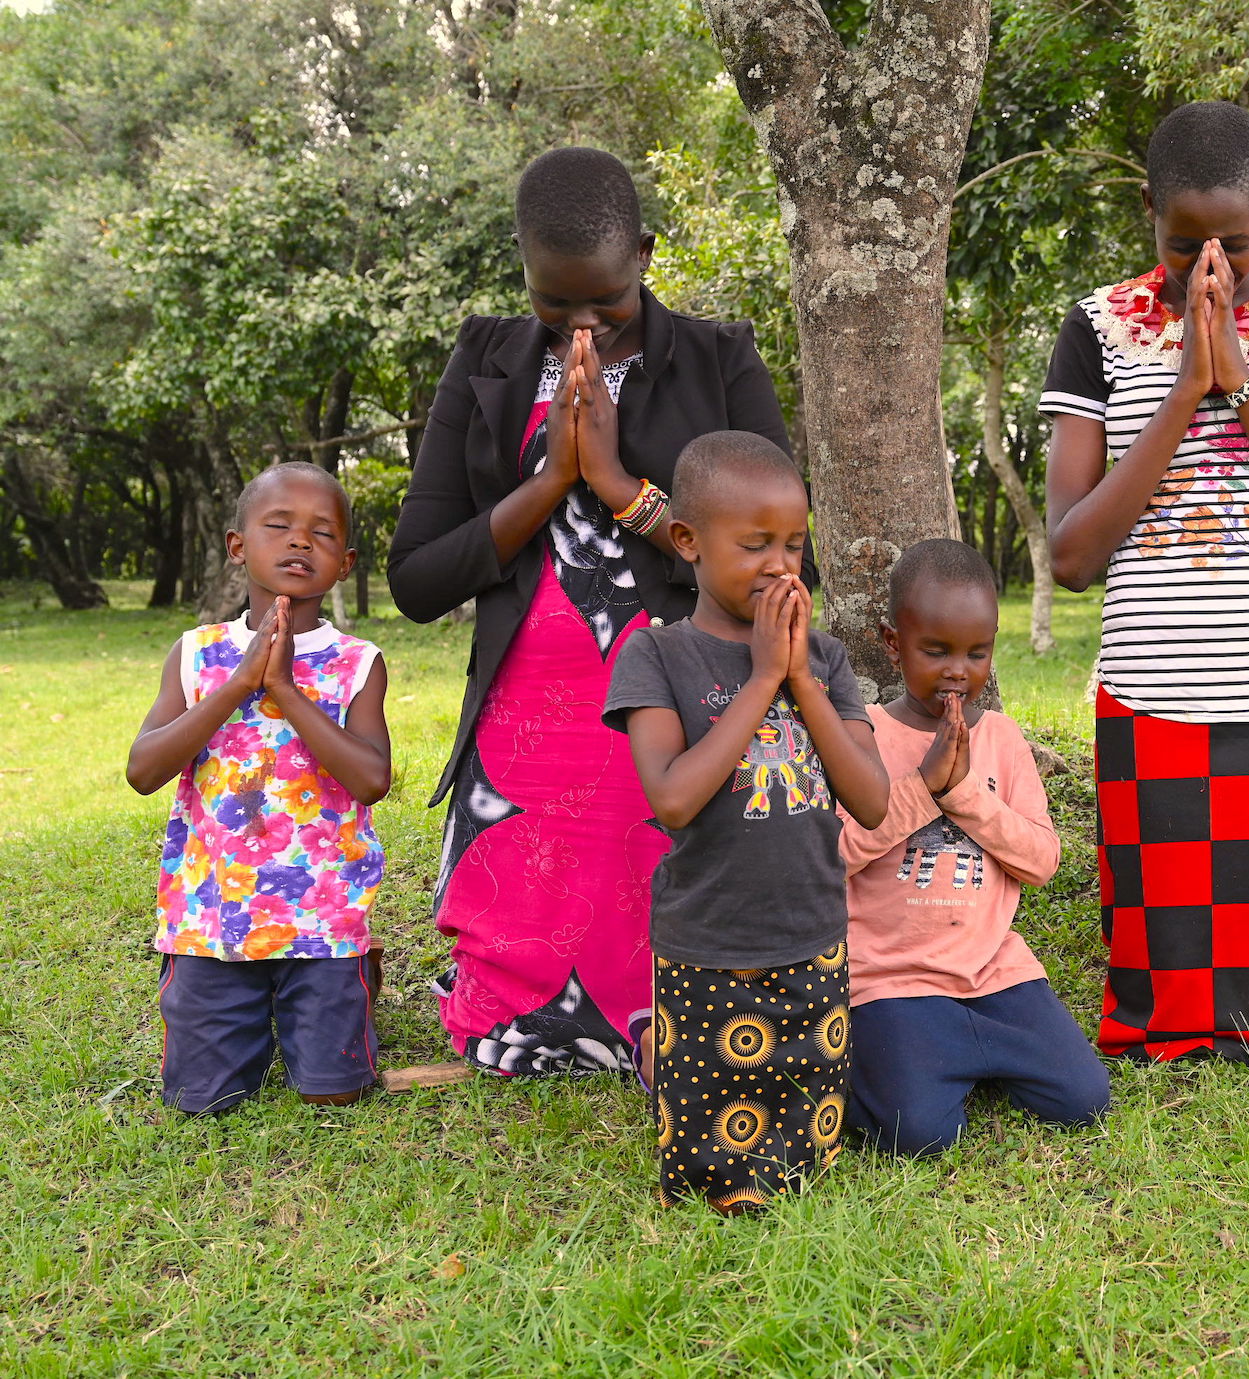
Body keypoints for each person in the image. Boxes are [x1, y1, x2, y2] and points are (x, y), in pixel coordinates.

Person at [388, 147, 793, 1077]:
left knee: (662, 896)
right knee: (534, 906)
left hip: (672, 699)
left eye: (605, 303)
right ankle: (521, 1030)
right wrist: (551, 481)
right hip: (525, 714)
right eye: (552, 302)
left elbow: (771, 553)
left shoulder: (716, 359)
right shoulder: (482, 359)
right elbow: (416, 578)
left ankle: (666, 1032)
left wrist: (616, 485)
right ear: (523, 268)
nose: (582, 326)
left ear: (645, 254)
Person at [1040, 101, 1249, 1064]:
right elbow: (1071, 555)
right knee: (1169, 954)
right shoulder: (1097, 327)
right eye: (1184, 245)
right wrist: (1185, 385)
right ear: (1148, 210)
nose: (1209, 268)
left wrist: (1243, 388)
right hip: (1156, 686)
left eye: (1233, 241)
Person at [603, 431, 888, 1211]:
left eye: (794, 544)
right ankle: (656, 1056)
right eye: (755, 542)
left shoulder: (823, 659)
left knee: (806, 1145)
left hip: (811, 934)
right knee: (710, 1170)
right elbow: (672, 799)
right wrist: (764, 677)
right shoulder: (656, 656)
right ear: (689, 541)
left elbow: (870, 799)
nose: (780, 564)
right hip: (707, 944)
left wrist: (798, 674)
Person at [127, 463, 391, 1113]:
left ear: (346, 562)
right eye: (279, 526)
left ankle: (355, 982)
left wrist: (283, 692)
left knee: (336, 1095)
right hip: (214, 920)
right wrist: (239, 683)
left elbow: (371, 779)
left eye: (322, 533)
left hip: (322, 921)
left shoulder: (358, 661)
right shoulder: (196, 652)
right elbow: (143, 771)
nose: (300, 541)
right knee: (201, 1100)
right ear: (238, 545)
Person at [836, 540, 1111, 1155]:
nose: (958, 670)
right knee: (922, 1135)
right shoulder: (863, 736)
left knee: (1083, 1098)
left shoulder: (1003, 739)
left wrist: (963, 794)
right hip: (893, 979)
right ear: (892, 643)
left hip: (993, 972)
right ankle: (871, 1066)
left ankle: (951, 1060)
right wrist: (922, 788)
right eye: (935, 651)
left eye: (976, 652)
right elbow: (834, 858)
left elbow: (1041, 862)